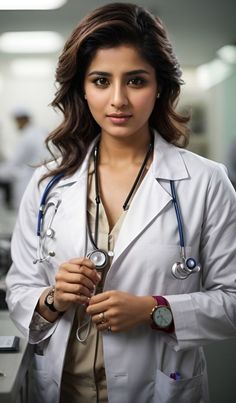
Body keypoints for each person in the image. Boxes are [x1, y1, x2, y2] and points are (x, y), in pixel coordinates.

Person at [5, 3, 236, 403]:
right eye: (100, 80)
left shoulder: (205, 181)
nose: (118, 100)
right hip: (60, 389)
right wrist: (52, 299)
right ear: (81, 87)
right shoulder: (47, 183)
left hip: (157, 389)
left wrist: (153, 310)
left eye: (135, 80)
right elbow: (20, 289)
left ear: (159, 85)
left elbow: (232, 302)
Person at [0, 107, 48, 209]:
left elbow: (14, 164)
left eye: (16, 121)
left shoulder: (26, 137)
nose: (16, 124)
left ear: (22, 119)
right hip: (40, 182)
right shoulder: (38, 132)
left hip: (27, 182)